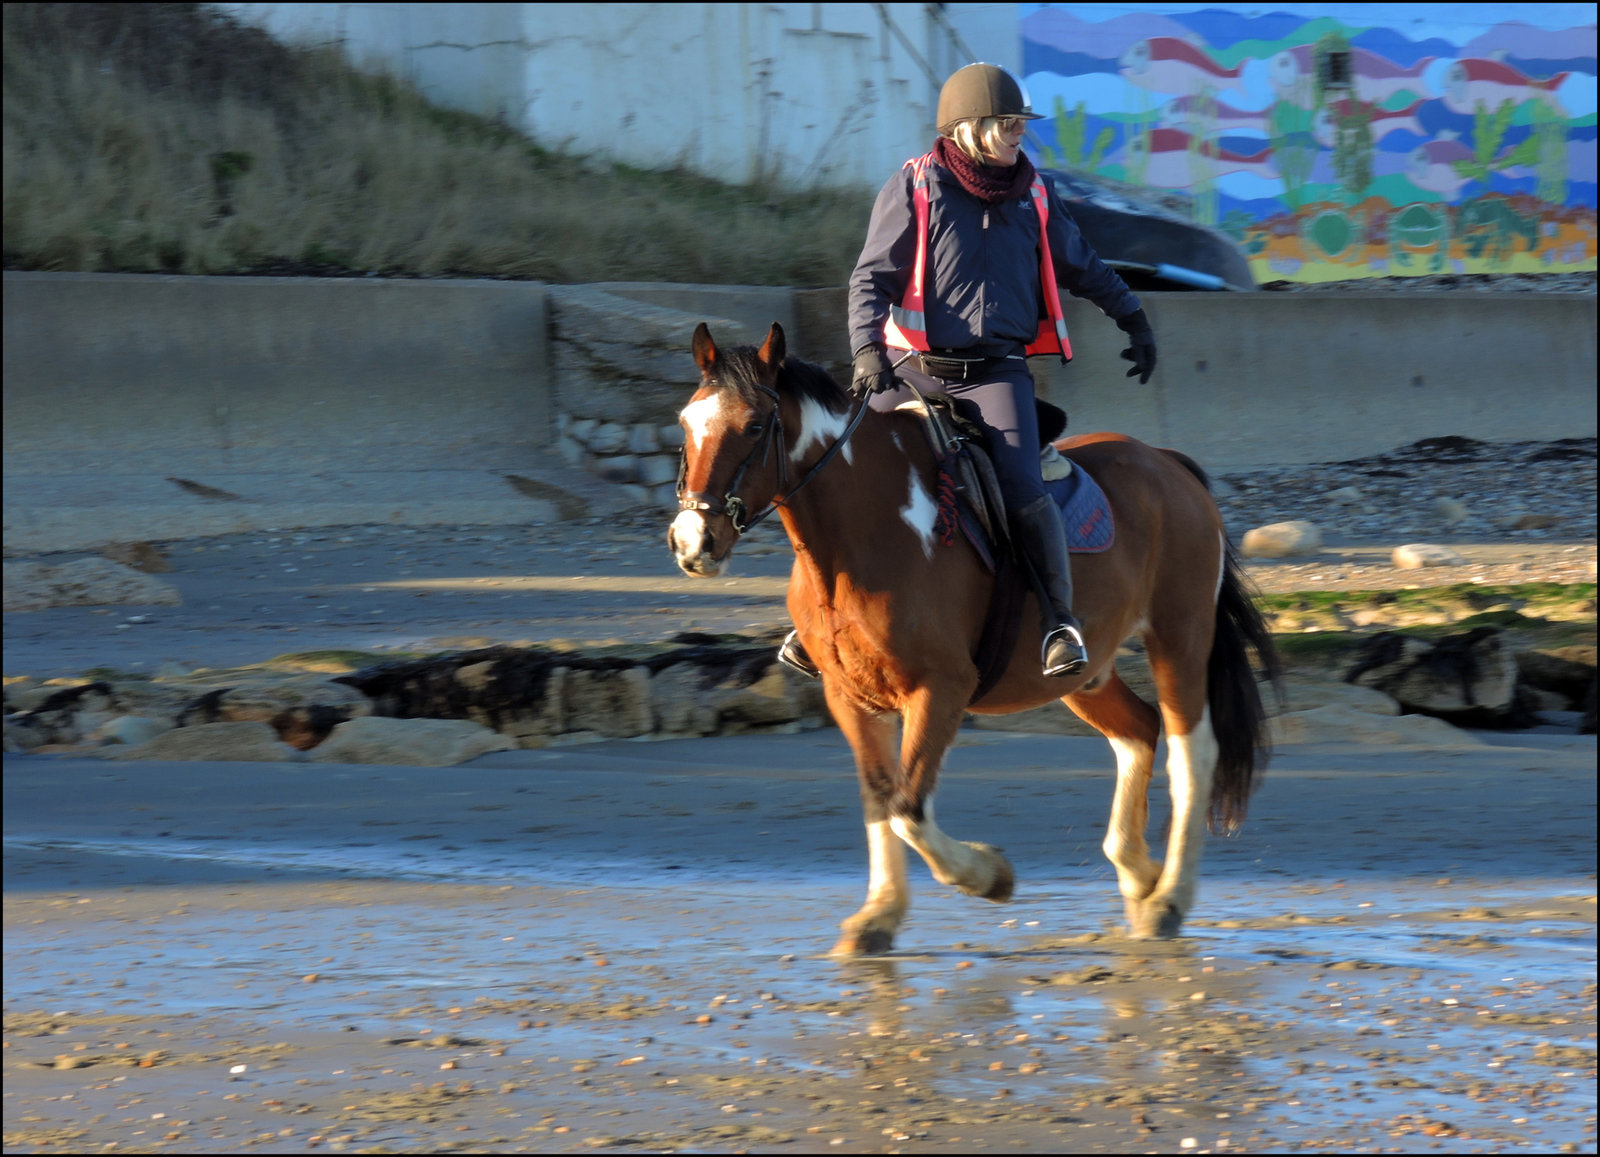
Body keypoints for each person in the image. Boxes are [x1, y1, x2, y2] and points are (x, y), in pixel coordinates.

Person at [779, 62, 1157, 682]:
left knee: (1021, 489)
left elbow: (1083, 265)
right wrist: (866, 349)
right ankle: (815, 619)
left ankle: (1059, 622)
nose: (1017, 135)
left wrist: (1133, 317)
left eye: (1019, 125)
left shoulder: (1036, 193)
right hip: (910, 367)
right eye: (1007, 124)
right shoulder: (915, 186)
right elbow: (871, 276)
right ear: (969, 128)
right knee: (847, 472)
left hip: (994, 375)